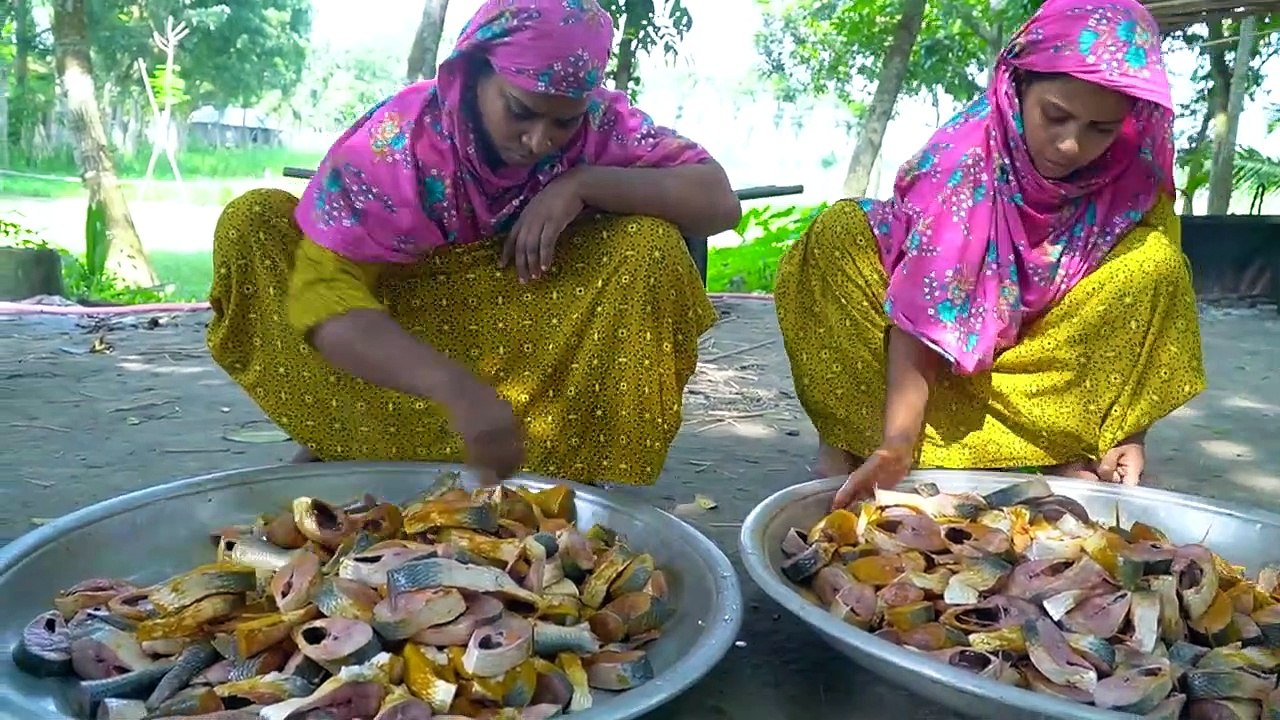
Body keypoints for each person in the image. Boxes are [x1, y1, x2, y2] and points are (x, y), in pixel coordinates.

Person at [206, 0, 740, 487]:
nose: (538, 140)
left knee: (648, 246)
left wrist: (582, 183)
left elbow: (718, 202)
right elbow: (322, 297)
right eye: (520, 111)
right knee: (254, 224)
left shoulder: (602, 126)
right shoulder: (400, 140)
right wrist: (458, 390)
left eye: (563, 121)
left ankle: (562, 467)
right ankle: (350, 439)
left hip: (521, 323)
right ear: (474, 70)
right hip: (399, 334)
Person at [774, 0, 1206, 509]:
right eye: (1056, 116)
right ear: (1019, 84)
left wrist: (1131, 432)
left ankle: (1062, 447)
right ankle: (855, 447)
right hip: (916, 354)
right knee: (837, 233)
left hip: (1033, 356)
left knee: (1156, 263)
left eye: (1100, 129)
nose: (1070, 146)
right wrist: (897, 441)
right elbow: (924, 318)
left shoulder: (1132, 172)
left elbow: (1150, 322)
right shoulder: (963, 166)